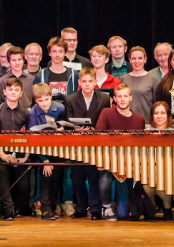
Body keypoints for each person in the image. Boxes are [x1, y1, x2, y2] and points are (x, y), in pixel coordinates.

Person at [65, 68, 112, 219]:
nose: (87, 84)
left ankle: (96, 209)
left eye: (90, 81)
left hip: (95, 143)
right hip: (77, 144)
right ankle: (80, 208)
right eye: (84, 81)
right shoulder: (70, 99)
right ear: (79, 82)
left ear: (95, 82)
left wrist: (94, 129)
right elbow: (68, 122)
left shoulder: (104, 98)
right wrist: (76, 128)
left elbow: (106, 120)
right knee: (77, 177)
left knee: (93, 177)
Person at [95, 84, 147, 221]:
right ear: (114, 99)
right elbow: (98, 138)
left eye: (125, 96)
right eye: (119, 96)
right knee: (105, 180)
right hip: (109, 162)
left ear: (131, 98)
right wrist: (100, 161)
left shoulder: (139, 119)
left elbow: (140, 145)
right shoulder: (106, 113)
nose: (122, 99)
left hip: (128, 166)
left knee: (123, 214)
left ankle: (122, 206)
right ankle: (106, 207)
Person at [0, 78, 32, 220]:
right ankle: (8, 211)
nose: (13, 92)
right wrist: (3, 155)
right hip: (2, 153)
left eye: (16, 90)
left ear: (21, 93)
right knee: (2, 177)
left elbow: (31, 137)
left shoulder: (26, 113)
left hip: (20, 154)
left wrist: (24, 157)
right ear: (5, 92)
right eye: (10, 90)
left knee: (24, 184)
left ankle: (20, 209)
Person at [25, 82, 67, 220]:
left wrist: (61, 129)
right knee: (45, 177)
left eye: (46, 100)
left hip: (58, 149)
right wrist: (45, 160)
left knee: (57, 177)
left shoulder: (60, 108)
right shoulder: (32, 113)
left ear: (51, 96)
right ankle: (45, 209)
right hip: (41, 151)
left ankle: (54, 207)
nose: (44, 103)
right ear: (36, 100)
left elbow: (66, 127)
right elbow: (33, 139)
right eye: (40, 101)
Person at [119, 47, 160, 126]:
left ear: (145, 59)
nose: (137, 61)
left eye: (140, 58)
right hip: (126, 123)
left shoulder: (153, 79)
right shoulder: (124, 79)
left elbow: (157, 105)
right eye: (134, 58)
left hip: (147, 124)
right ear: (130, 60)